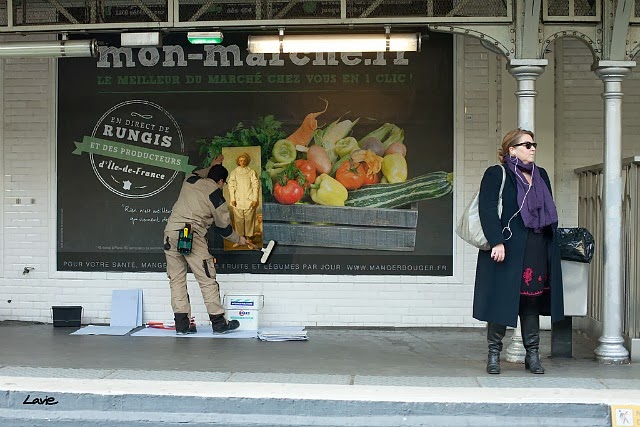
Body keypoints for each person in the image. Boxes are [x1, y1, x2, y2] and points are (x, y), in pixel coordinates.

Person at [473, 128, 564, 375]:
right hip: (507, 247)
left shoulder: (541, 175)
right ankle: (494, 355)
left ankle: (532, 355)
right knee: (502, 300)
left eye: (534, 144)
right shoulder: (497, 173)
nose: (532, 148)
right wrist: (496, 241)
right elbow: (487, 209)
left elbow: (548, 211)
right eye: (526, 145)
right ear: (511, 149)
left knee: (531, 300)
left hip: (536, 246)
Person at [163, 155, 247, 335]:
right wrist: (239, 239)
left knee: (176, 279)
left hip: (170, 233)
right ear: (221, 181)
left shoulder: (190, 180)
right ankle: (219, 323)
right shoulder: (215, 194)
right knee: (207, 278)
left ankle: (182, 326)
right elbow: (224, 228)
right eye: (223, 183)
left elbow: (195, 171)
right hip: (190, 233)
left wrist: (212, 165)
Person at [227, 152, 260, 247]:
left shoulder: (251, 171)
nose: (242, 162)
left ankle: (249, 239)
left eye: (244, 160)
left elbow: (255, 185)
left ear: (247, 161)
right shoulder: (234, 172)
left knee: (249, 219)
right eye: (241, 160)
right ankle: (239, 239)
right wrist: (233, 198)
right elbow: (231, 186)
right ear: (238, 161)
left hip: (249, 200)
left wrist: (254, 199)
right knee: (238, 220)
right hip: (238, 200)